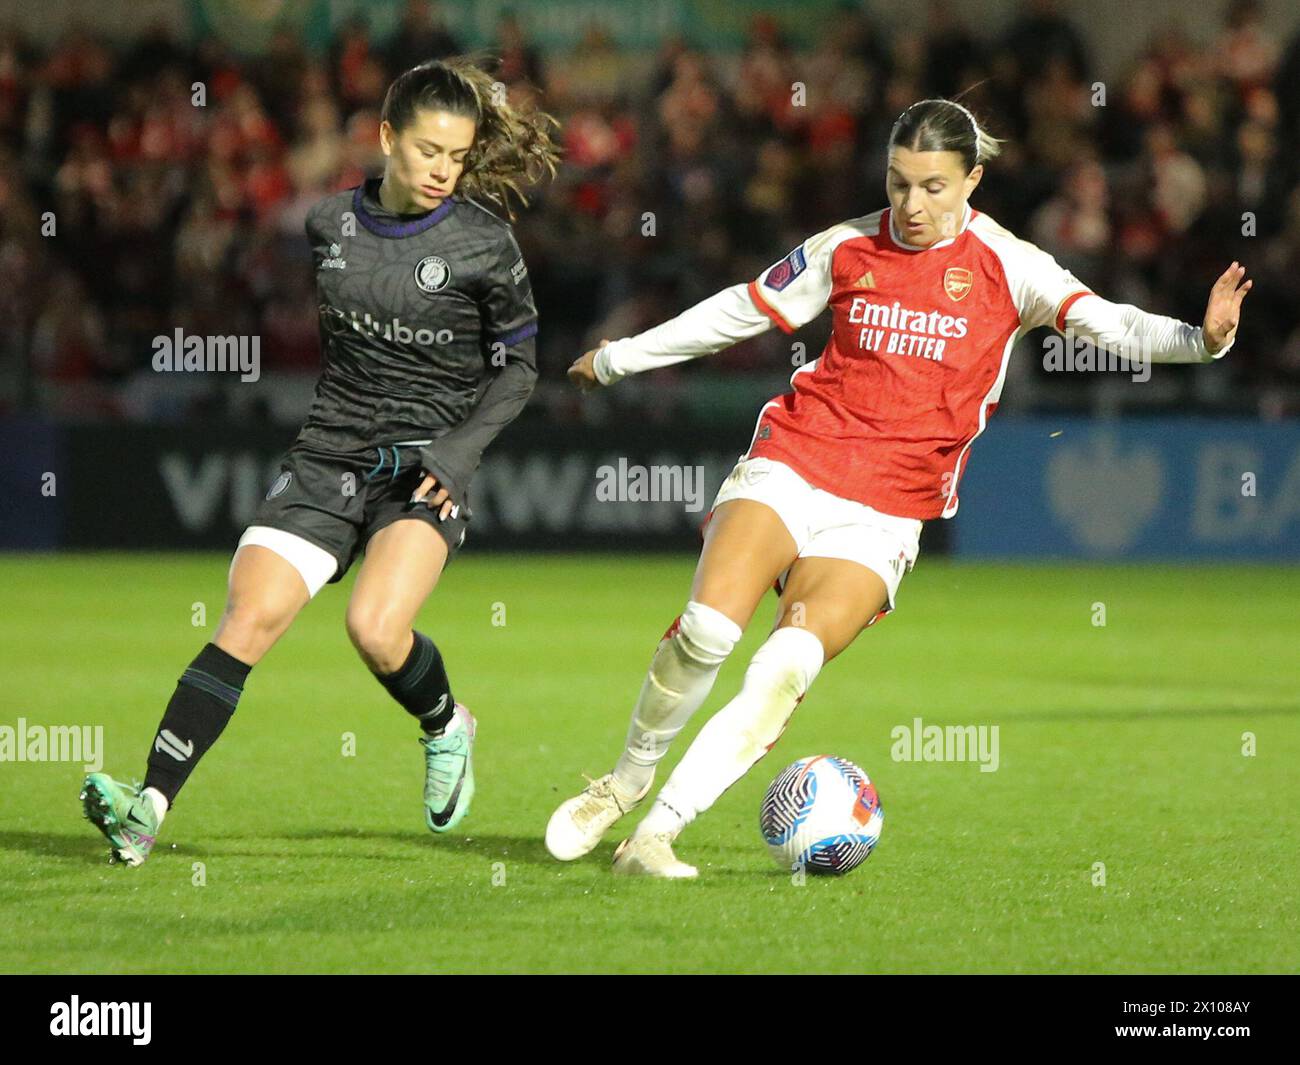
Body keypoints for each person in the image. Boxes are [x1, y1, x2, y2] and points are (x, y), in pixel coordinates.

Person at [546, 97, 1250, 877]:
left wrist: (1202, 340)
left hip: (885, 513)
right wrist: (620, 358)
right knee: (709, 630)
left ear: (972, 179)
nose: (912, 205)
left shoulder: (1012, 267)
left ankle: (657, 835)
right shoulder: (845, 247)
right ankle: (625, 781)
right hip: (797, 460)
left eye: (934, 187)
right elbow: (743, 309)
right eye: (899, 183)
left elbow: (1109, 324)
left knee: (785, 667)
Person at [81, 56, 561, 866]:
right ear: (384, 138)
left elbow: (519, 367)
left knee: (375, 628)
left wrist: (457, 450)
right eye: (427, 151)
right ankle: (147, 806)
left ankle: (447, 723)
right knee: (248, 618)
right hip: (328, 454)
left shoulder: (486, 244)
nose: (444, 170)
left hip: (427, 463)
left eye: (457, 154)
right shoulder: (328, 226)